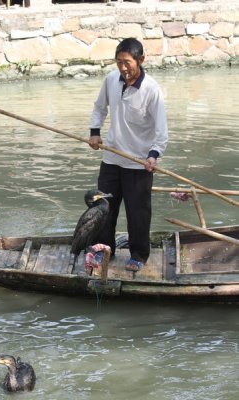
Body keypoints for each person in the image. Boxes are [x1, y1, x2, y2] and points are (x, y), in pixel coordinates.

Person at [88, 38, 168, 272]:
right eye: (118, 62)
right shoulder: (111, 80)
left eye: (127, 62)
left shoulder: (152, 90)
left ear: (141, 60)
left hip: (139, 163)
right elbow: (99, 107)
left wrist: (153, 155)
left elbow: (161, 132)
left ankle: (139, 254)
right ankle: (104, 249)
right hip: (112, 158)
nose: (123, 68)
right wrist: (95, 132)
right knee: (104, 207)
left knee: (138, 211)